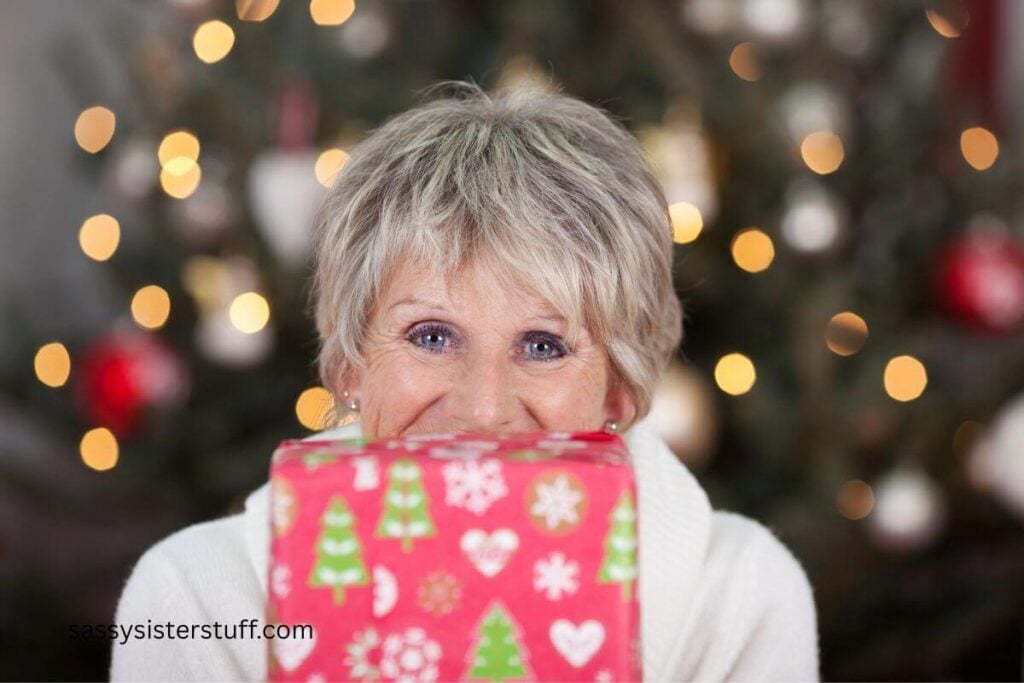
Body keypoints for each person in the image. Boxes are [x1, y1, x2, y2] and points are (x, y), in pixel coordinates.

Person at [110, 81, 820, 681]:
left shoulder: (744, 596)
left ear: (618, 391)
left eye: (543, 345)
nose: (483, 408)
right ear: (352, 364)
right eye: (431, 336)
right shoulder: (192, 598)